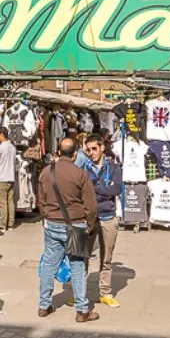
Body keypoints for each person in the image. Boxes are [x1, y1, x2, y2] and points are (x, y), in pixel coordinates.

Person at [37, 138, 100, 323]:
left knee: (49, 264)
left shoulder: (45, 172)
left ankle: (44, 305)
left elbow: (40, 201)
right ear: (75, 154)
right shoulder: (80, 174)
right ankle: (82, 310)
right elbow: (90, 205)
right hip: (76, 223)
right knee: (78, 266)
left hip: (51, 224)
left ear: (58, 152)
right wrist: (89, 225)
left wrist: (45, 217)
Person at [82, 134, 122, 307]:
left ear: (102, 147)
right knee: (82, 257)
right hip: (88, 218)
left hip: (108, 217)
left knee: (106, 258)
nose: (91, 153)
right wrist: (104, 189)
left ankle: (105, 292)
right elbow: (81, 191)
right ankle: (80, 293)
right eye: (88, 149)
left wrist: (96, 189)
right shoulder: (84, 167)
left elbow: (117, 188)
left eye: (94, 149)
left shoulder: (113, 167)